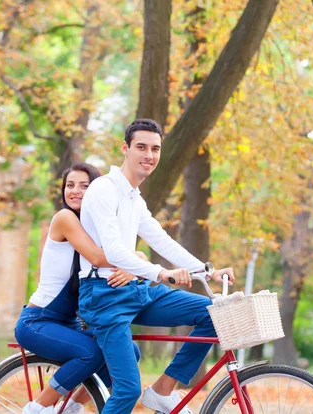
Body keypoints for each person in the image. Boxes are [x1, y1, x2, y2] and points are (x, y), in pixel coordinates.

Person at [77, 119, 235, 414]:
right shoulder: (104, 189)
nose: (149, 155)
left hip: (136, 290)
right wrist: (161, 273)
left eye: (155, 149)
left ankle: (163, 391)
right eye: (141, 147)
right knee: (127, 390)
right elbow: (112, 251)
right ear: (125, 149)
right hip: (104, 295)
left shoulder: (135, 199)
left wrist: (207, 271)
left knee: (213, 313)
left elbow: (162, 241)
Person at [15, 163, 142, 414]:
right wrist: (139, 262)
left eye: (84, 186)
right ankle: (37, 408)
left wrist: (134, 265)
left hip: (68, 325)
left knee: (130, 352)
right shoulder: (65, 219)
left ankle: (71, 406)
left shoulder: (99, 229)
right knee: (92, 352)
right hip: (38, 321)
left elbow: (120, 256)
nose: (75, 191)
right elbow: (97, 257)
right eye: (70, 186)